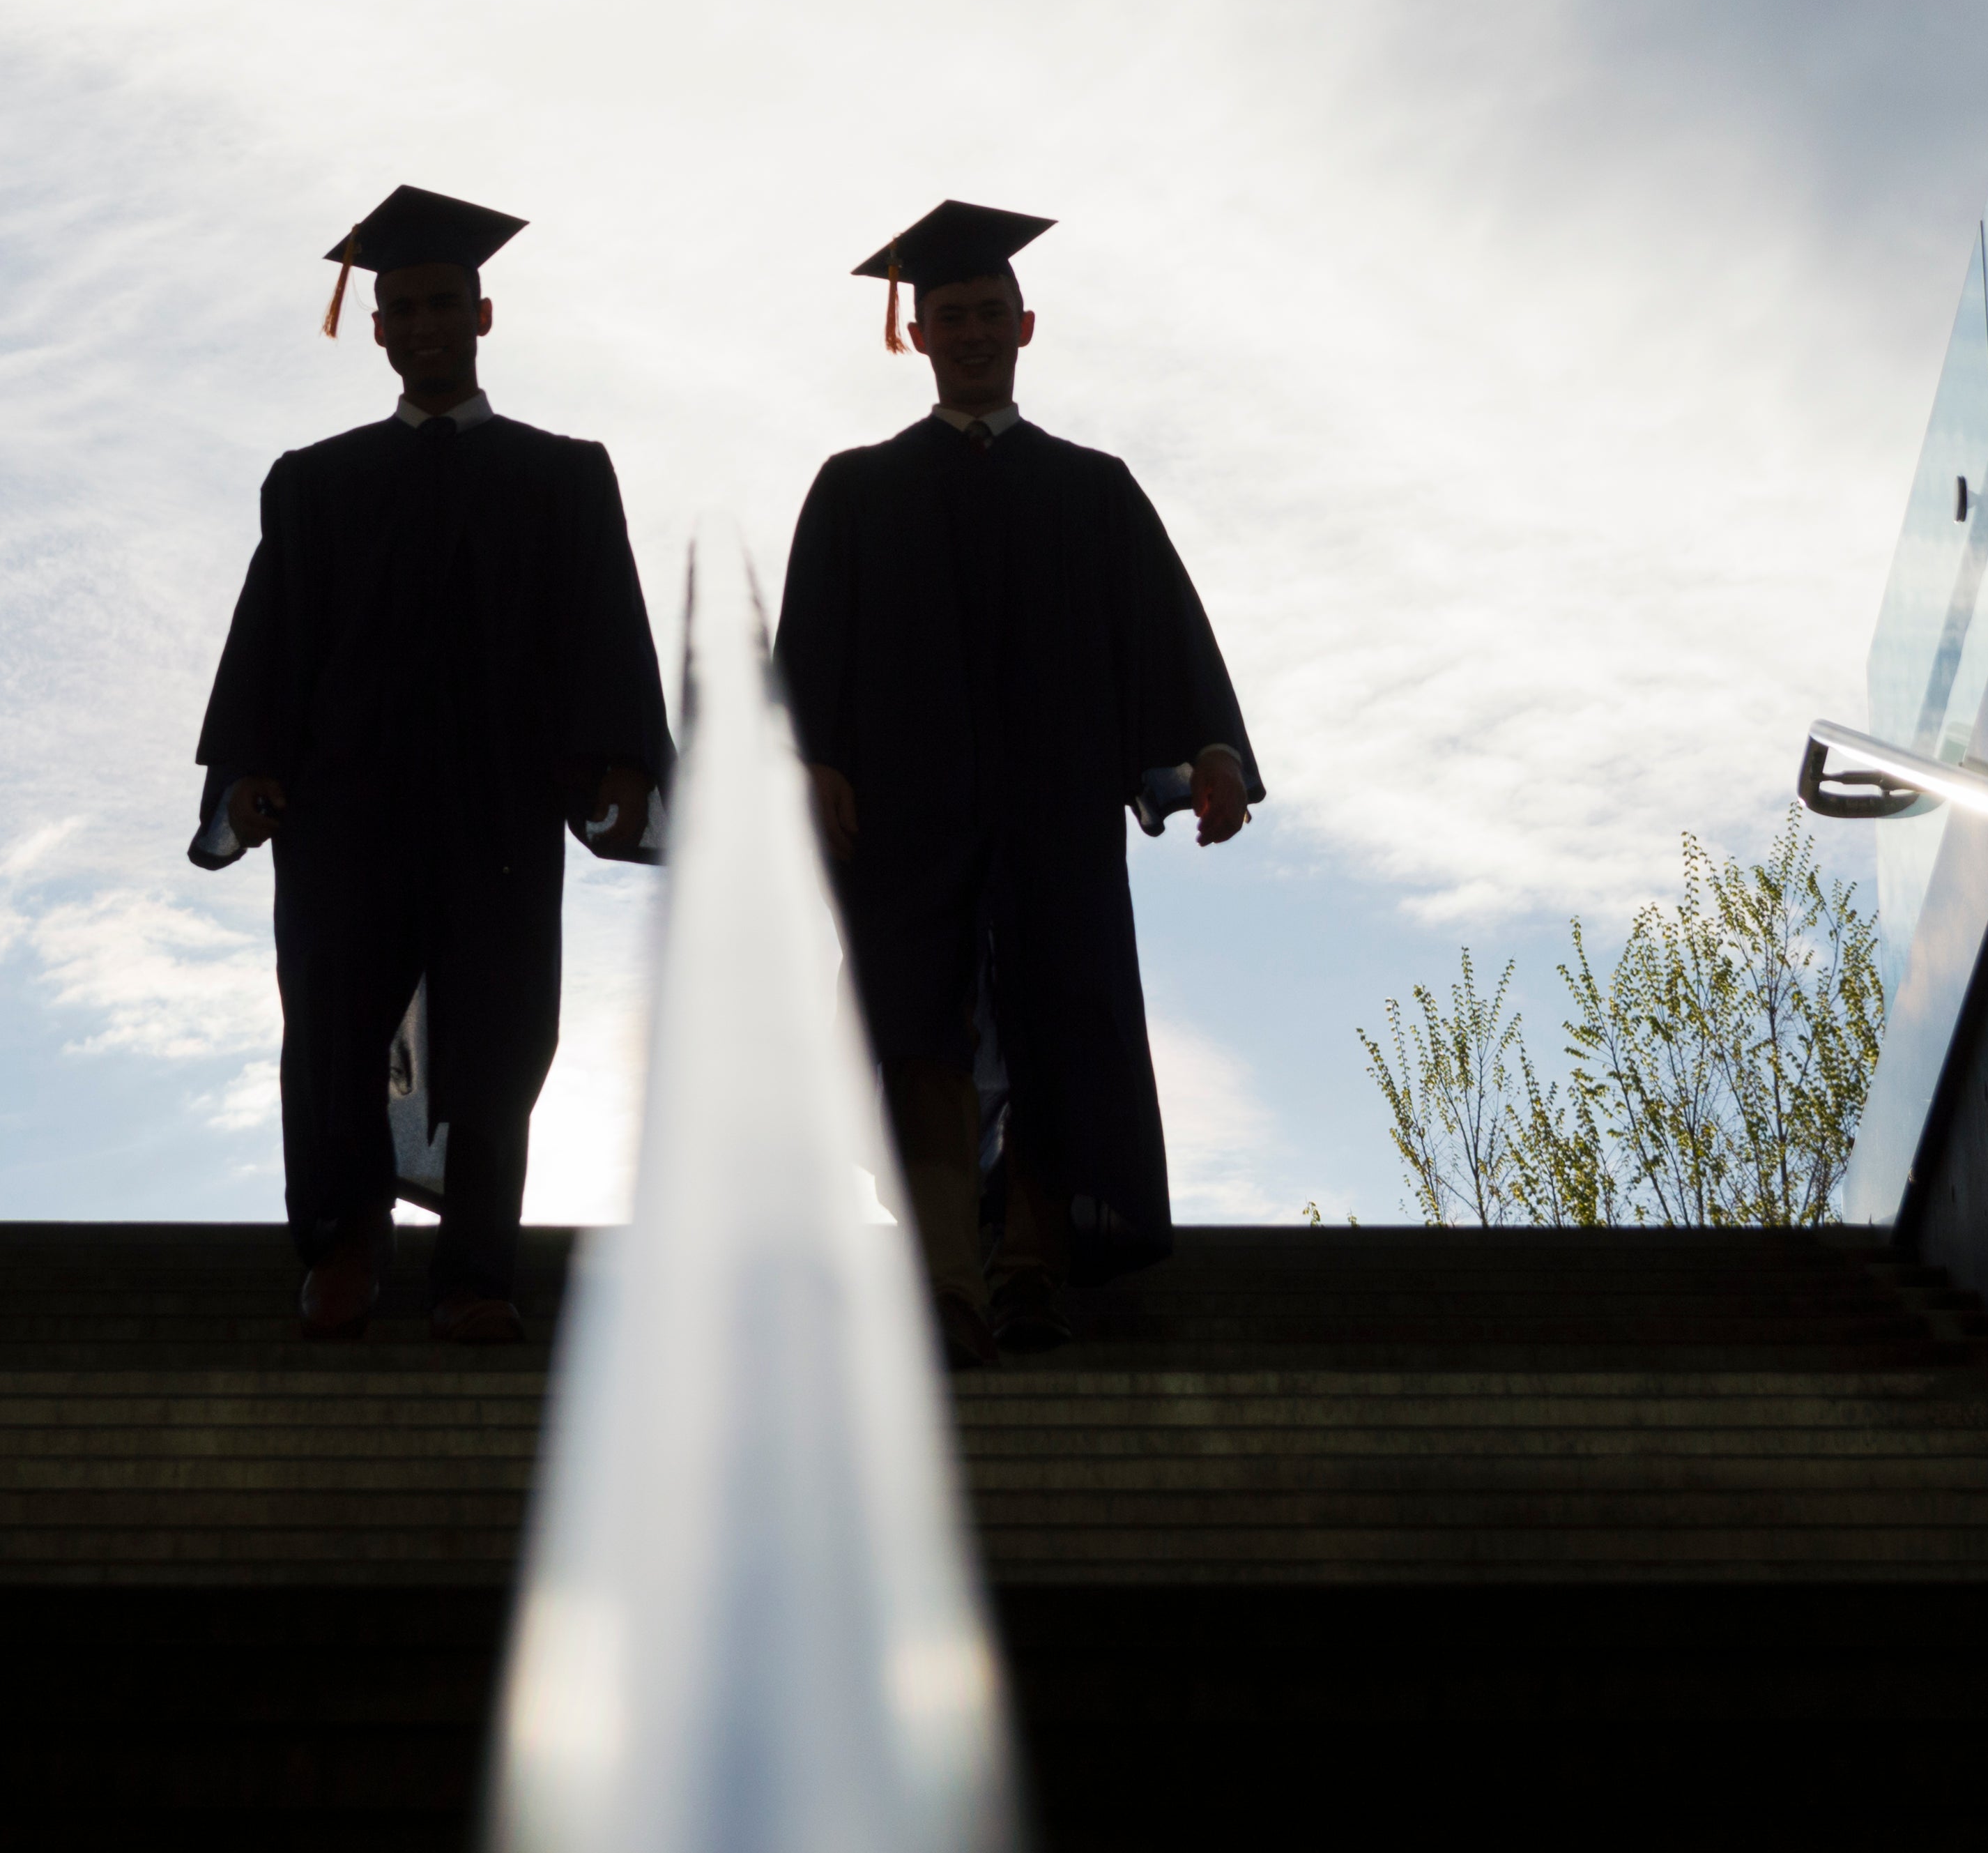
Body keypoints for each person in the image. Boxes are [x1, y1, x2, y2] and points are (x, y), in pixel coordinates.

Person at [774, 201, 1257, 1369]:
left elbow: (1161, 634)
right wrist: (813, 763)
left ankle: (1031, 1265)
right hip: (904, 811)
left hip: (1052, 806)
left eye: (991, 312)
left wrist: (1209, 749)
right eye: (951, 315)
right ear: (917, 334)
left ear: (1025, 324)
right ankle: (945, 1279)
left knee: (1057, 1026)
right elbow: (810, 653)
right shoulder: (855, 489)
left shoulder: (1092, 489)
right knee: (916, 1028)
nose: (974, 331)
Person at [191, 186, 670, 1345]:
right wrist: (249, 763)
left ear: (483, 313)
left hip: (498, 799)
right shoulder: (314, 481)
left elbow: (604, 623)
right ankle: (344, 1243)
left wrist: (616, 758)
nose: (422, 321)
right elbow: (272, 630)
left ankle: (474, 1268)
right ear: (376, 327)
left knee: (504, 1031)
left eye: (442, 301)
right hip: (341, 798)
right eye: (399, 304)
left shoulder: (563, 476)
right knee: (332, 1025)